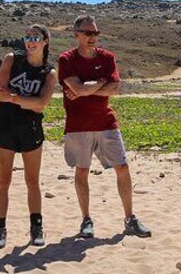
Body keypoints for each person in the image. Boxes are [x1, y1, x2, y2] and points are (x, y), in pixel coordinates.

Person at [58, 15, 151, 239]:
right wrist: (101, 83)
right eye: (88, 33)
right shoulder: (66, 59)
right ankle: (86, 219)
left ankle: (130, 218)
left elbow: (115, 88)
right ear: (76, 34)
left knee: (123, 167)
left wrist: (87, 88)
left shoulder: (107, 57)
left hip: (106, 121)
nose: (92, 37)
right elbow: (76, 87)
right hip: (78, 125)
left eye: (95, 33)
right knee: (82, 171)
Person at [0, 24, 57, 248]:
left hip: (30, 130)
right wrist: (25, 101)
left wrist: (16, 98)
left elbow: (42, 103)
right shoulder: (12, 59)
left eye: (36, 37)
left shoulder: (49, 73)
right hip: (5, 127)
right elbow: (1, 93)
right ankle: (0, 229)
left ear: (45, 42)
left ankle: (36, 227)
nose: (31, 41)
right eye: (28, 36)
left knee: (32, 181)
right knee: (3, 180)